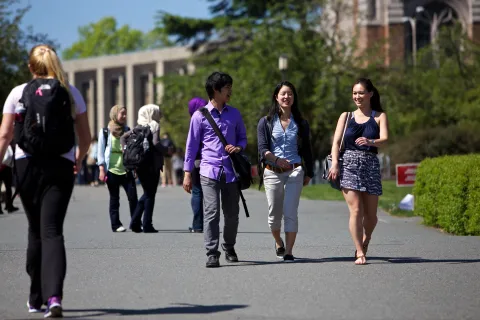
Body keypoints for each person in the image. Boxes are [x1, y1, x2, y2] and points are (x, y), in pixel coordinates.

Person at [0, 44, 91, 317]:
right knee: (52, 230)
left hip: (26, 164)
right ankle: (54, 297)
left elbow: (5, 136)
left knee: (34, 229)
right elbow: (85, 138)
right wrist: (77, 158)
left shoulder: (18, 93)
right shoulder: (71, 92)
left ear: (30, 67)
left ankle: (34, 296)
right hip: (60, 165)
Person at [183, 72, 247, 268]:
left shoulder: (235, 114)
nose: (230, 91)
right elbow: (191, 146)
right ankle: (212, 252)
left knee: (232, 214)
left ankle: (229, 246)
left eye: (230, 87)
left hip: (231, 173)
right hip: (208, 171)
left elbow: (243, 139)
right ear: (215, 90)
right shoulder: (199, 116)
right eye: (227, 88)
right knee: (211, 213)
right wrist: (187, 173)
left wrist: (238, 147)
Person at [328, 78, 389, 265]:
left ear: (370, 94)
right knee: (355, 210)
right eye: (354, 93)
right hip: (348, 165)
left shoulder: (379, 116)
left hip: (370, 165)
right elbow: (336, 142)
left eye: (361, 93)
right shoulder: (345, 116)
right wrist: (335, 163)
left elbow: (385, 138)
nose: (357, 96)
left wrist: (371, 142)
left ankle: (366, 238)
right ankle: (360, 251)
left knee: (371, 216)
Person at [257, 81, 314, 262]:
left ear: (294, 98)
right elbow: (262, 148)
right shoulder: (265, 122)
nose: (286, 97)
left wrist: (309, 172)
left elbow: (307, 150)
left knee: (290, 212)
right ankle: (278, 241)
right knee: (274, 215)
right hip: (272, 171)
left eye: (290, 94)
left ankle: (288, 251)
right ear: (276, 97)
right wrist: (275, 159)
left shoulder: (301, 123)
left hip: (294, 172)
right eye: (283, 94)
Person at [97, 105, 138, 233]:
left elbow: (132, 150)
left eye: (126, 114)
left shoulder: (128, 130)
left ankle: (135, 223)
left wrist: (134, 167)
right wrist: (101, 169)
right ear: (115, 114)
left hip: (126, 169)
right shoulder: (105, 131)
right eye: (122, 114)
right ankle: (116, 225)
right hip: (112, 169)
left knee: (133, 197)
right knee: (114, 199)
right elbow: (100, 151)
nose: (125, 116)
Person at [123, 104, 163, 233]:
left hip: (140, 164)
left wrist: (125, 150)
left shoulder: (137, 127)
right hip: (152, 165)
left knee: (147, 193)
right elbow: (156, 143)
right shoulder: (154, 125)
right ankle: (146, 224)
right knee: (150, 194)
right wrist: (167, 150)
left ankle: (136, 223)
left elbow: (122, 137)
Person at [186, 97, 207, 233]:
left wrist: (187, 170)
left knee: (197, 192)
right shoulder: (212, 117)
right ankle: (209, 224)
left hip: (197, 161)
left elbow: (192, 145)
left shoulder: (195, 119)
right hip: (212, 160)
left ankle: (197, 225)